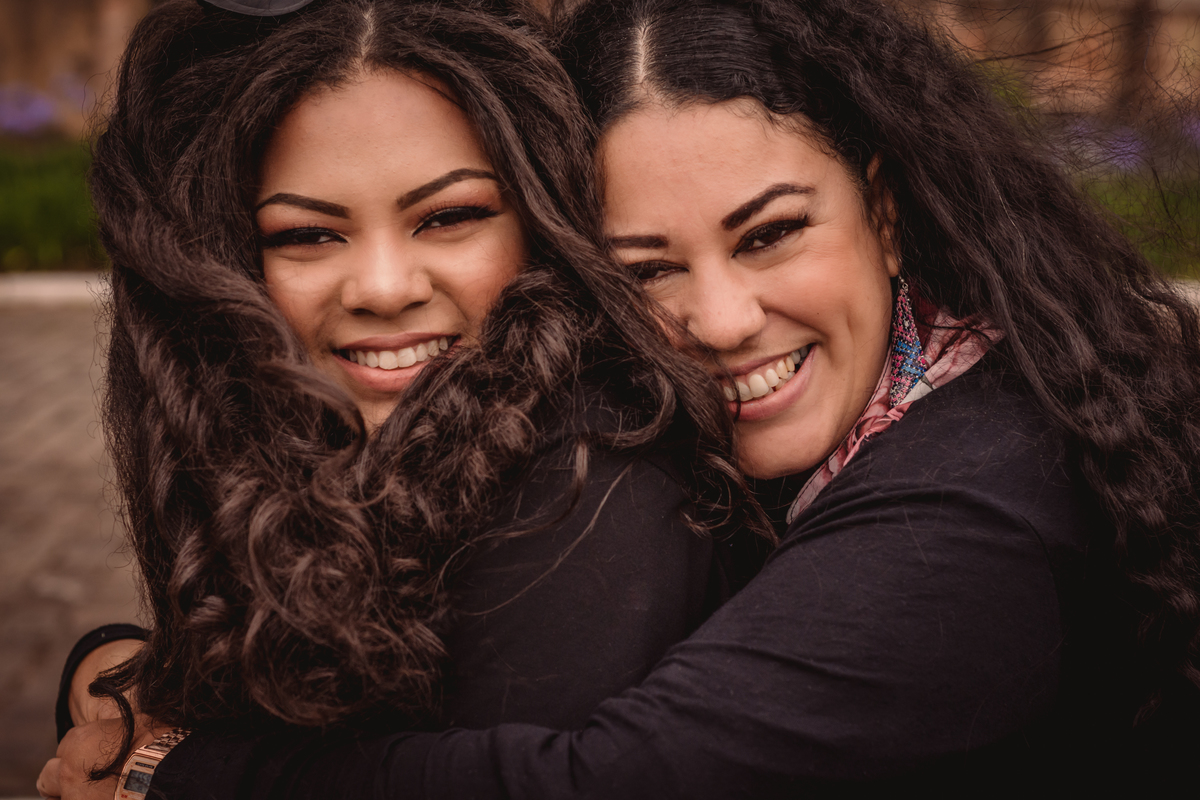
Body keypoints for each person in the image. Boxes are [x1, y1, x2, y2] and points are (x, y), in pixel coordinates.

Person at [48, 0, 1200, 795]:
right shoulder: (763, 421)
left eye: (771, 233)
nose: (722, 318)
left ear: (885, 213)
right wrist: (136, 673)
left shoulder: (979, 497)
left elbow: (623, 776)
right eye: (644, 268)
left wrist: (173, 766)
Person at [36, 0, 771, 796]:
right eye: (307, 235)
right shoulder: (297, 444)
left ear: (539, 221)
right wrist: (121, 668)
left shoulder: (596, 472)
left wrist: (161, 770)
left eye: (450, 217)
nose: (385, 289)